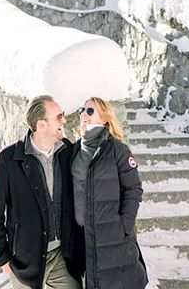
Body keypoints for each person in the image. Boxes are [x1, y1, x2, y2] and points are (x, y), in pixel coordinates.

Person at [0, 95, 83, 289]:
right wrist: (3, 259)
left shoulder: (67, 152)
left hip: (63, 259)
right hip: (25, 262)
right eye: (58, 117)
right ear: (41, 124)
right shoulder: (8, 159)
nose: (64, 121)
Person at [70, 97, 148, 289]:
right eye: (83, 109)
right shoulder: (74, 149)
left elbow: (134, 189)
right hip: (83, 237)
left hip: (112, 236)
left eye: (90, 111)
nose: (83, 114)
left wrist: (124, 226)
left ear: (105, 118)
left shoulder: (118, 150)